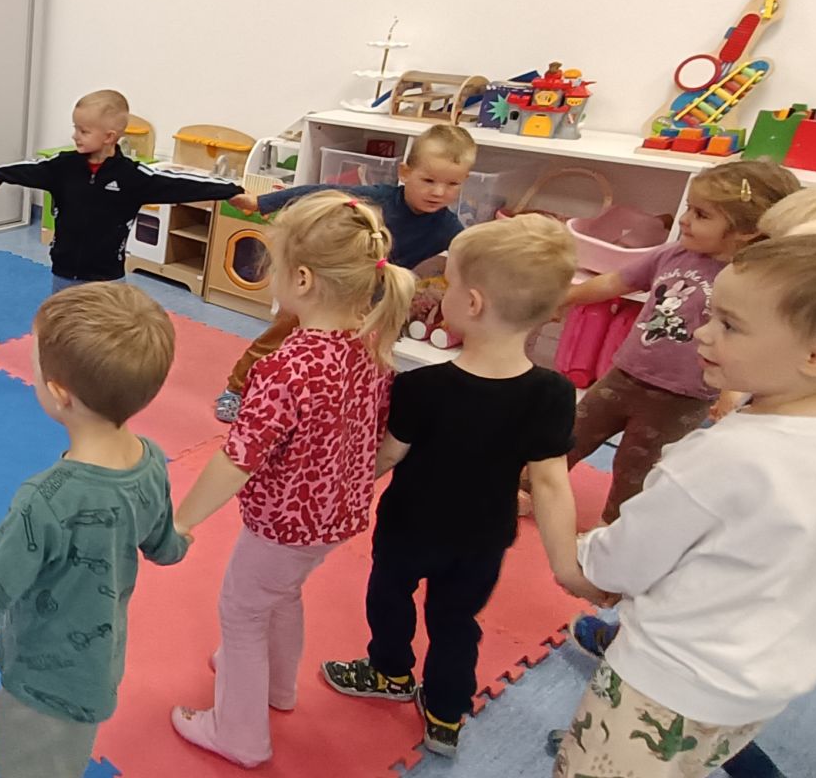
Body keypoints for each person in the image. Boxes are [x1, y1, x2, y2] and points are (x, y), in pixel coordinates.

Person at [551, 233, 816, 778]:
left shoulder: (722, 456)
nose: (701, 331)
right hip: (767, 681)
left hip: (666, 681)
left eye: (729, 325)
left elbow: (619, 564)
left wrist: (579, 555)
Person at [318, 215, 599, 756]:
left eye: (448, 285)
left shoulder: (421, 385)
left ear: (471, 303)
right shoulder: (553, 393)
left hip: (408, 528)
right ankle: (446, 715)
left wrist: (335, 493)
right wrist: (566, 564)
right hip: (482, 540)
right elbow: (550, 484)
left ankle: (390, 672)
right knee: (456, 621)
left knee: (389, 595)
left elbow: (388, 455)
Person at [0, 282, 188, 778]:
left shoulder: (47, 500)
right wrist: (182, 542)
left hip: (44, 685)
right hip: (100, 664)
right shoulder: (150, 460)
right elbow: (163, 544)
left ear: (58, 393)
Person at [169, 191, 416, 768]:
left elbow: (238, 459)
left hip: (284, 524)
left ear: (301, 279)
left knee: (242, 611)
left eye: (272, 265)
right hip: (337, 516)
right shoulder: (370, 347)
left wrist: (183, 520)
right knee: (282, 594)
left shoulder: (287, 365)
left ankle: (238, 734)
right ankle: (278, 686)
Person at [558, 159, 798, 529]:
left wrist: (732, 391)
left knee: (637, 466)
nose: (684, 220)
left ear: (747, 230)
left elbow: (747, 340)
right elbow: (614, 282)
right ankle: (527, 488)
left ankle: (615, 529)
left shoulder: (752, 281)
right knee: (571, 435)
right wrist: (564, 298)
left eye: (701, 215)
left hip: (681, 397)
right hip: (625, 374)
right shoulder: (672, 254)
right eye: (689, 208)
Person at [214, 123, 476, 422]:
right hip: (319, 288)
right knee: (280, 337)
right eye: (428, 180)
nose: (438, 192)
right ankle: (236, 389)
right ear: (404, 172)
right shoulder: (378, 198)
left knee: (351, 355)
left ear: (464, 181)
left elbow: (475, 253)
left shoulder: (448, 227)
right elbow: (320, 193)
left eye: (452, 184)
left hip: (369, 303)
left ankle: (326, 404)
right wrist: (262, 203)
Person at [0, 90, 244, 294]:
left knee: (107, 337)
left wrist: (231, 191)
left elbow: (182, 182)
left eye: (83, 131)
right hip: (63, 272)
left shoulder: (132, 177)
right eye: (75, 128)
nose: (75, 136)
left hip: (108, 278)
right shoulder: (63, 167)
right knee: (64, 333)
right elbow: (28, 168)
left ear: (109, 137)